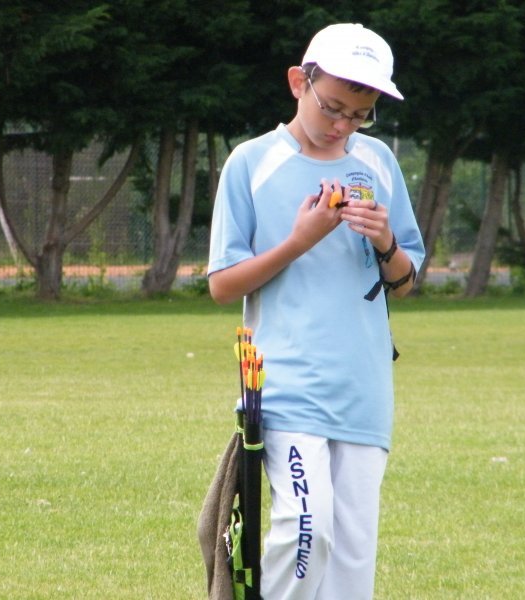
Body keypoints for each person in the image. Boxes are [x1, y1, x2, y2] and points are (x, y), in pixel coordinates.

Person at [207, 23, 425, 600]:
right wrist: (299, 241)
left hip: (364, 389)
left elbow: (405, 282)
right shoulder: (251, 162)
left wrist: (385, 241)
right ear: (297, 82)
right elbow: (223, 286)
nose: (342, 126)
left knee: (353, 556)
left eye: (360, 115)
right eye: (332, 107)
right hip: (285, 385)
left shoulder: (378, 162)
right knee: (306, 531)